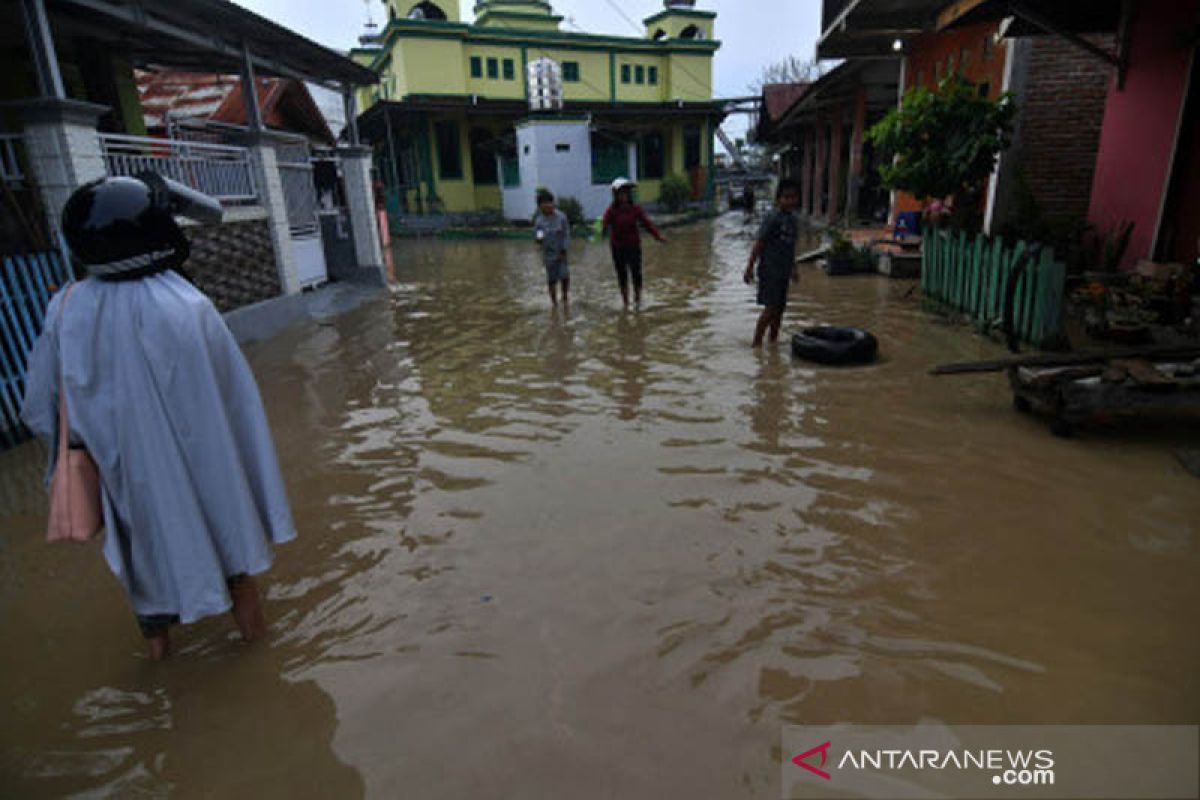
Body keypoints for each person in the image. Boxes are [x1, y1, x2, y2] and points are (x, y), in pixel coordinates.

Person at [21, 174, 296, 660]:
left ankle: (161, 667)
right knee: (233, 556)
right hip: (206, 468)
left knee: (142, 564)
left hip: (126, 474)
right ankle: (257, 650)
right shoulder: (187, 306)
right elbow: (235, 402)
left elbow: (42, 406)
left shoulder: (64, 309)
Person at [743, 179, 802, 348]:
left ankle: (773, 341)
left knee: (780, 309)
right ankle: (756, 344)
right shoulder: (772, 218)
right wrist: (749, 267)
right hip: (769, 270)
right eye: (786, 197)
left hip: (783, 271)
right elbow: (759, 244)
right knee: (770, 309)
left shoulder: (792, 221)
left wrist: (794, 269)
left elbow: (790, 247)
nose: (790, 201)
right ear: (778, 199)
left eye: (793, 197)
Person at [601, 178, 667, 309]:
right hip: (617, 247)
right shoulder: (611, 211)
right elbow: (603, 225)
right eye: (621, 194)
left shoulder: (635, 209)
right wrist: (598, 232)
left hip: (633, 246)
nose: (624, 196)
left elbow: (647, 223)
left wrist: (658, 236)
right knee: (622, 275)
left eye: (626, 193)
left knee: (636, 274)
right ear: (616, 196)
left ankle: (637, 300)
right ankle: (625, 302)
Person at [533, 189, 571, 307]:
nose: (548, 205)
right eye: (544, 203)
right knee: (552, 279)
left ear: (553, 203)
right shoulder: (539, 221)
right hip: (548, 254)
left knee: (565, 275)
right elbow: (539, 235)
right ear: (540, 206)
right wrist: (539, 242)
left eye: (549, 202)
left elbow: (566, 234)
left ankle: (565, 296)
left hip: (561, 252)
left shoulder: (561, 217)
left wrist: (564, 249)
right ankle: (554, 303)